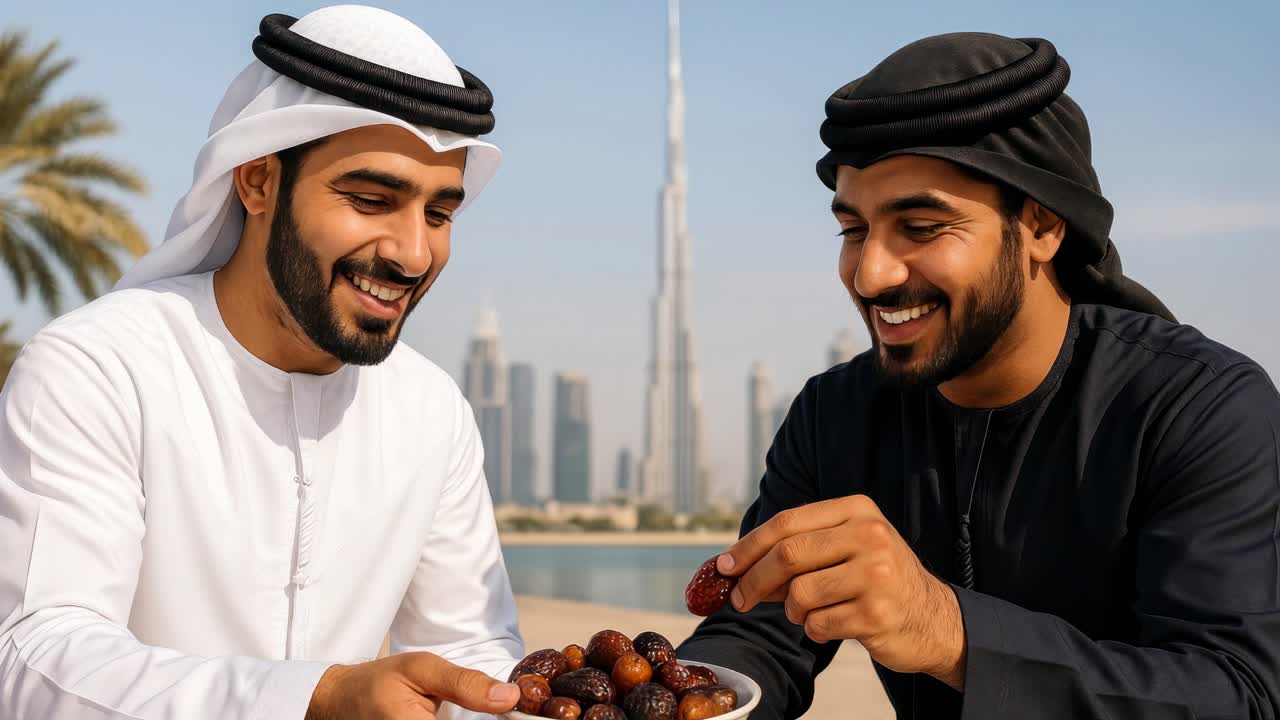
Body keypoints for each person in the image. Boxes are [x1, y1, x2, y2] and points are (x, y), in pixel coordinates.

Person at [677, 32, 1280, 719]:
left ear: (1043, 227)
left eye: (923, 225)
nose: (870, 273)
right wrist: (668, 699)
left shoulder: (1202, 409)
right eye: (853, 229)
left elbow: (1240, 693)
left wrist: (947, 630)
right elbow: (759, 632)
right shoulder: (835, 413)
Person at [0, 7, 527, 719]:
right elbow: (35, 655)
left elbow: (470, 654)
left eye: (439, 215)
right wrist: (314, 699)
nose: (411, 253)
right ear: (256, 183)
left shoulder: (432, 411)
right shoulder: (97, 369)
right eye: (372, 200)